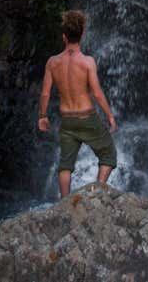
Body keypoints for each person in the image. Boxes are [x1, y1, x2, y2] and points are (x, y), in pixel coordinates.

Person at [38, 10, 117, 197]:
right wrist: (110, 116)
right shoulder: (87, 62)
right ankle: (98, 193)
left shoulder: (52, 62)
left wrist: (42, 116)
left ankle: (64, 202)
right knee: (108, 154)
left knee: (65, 165)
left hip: (67, 120)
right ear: (82, 35)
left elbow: (45, 93)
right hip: (87, 118)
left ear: (64, 37)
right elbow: (97, 92)